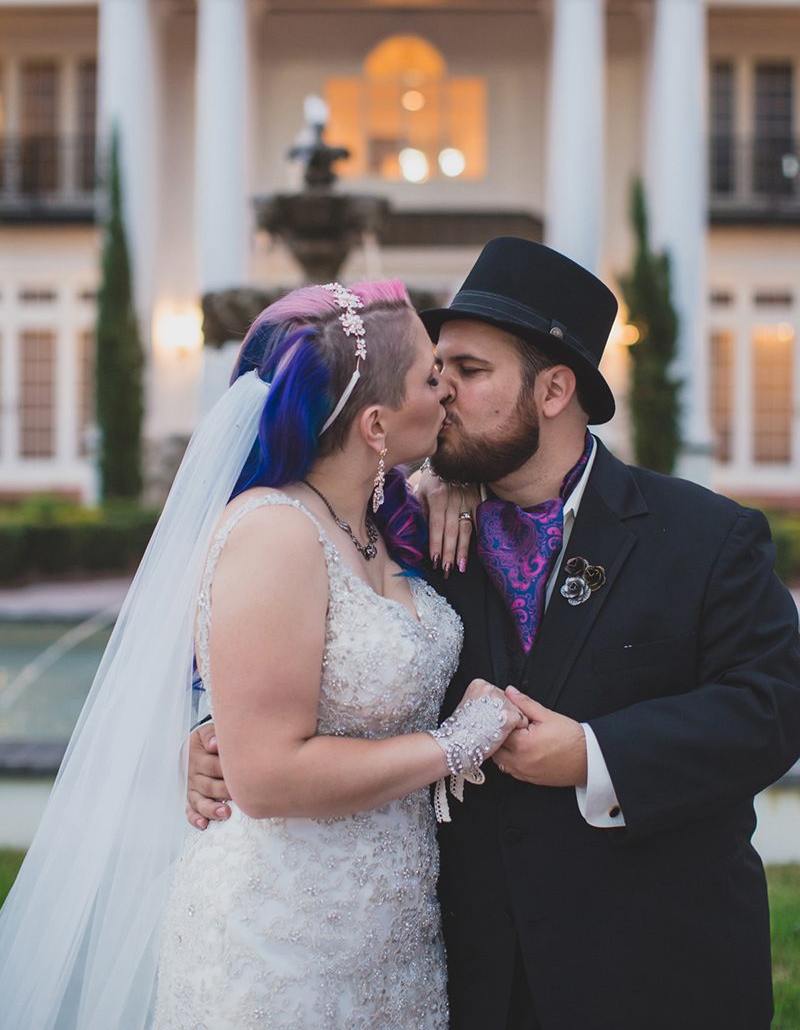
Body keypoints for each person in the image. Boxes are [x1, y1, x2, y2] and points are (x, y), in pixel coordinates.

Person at [189, 239, 800, 1030]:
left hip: (652, 966)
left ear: (553, 390)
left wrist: (594, 754)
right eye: (435, 372)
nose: (441, 394)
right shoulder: (402, 535)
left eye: (469, 373)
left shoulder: (705, 535)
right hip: (469, 974)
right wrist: (213, 737)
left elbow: (773, 707)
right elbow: (319, 669)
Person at [0, 278, 523, 1030]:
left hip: (392, 934)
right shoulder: (273, 533)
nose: (446, 392)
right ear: (376, 423)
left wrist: (448, 479)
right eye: (428, 377)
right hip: (280, 942)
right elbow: (269, 777)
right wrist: (455, 742)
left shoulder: (379, 520)